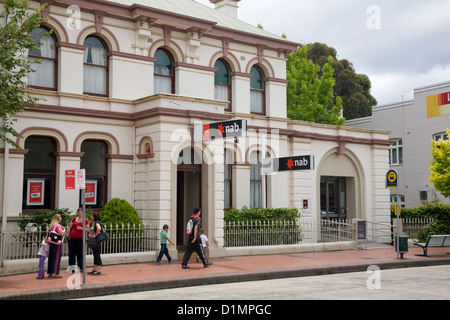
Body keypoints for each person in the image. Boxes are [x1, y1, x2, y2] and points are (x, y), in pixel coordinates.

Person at [66, 208, 89, 272]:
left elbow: (87, 229)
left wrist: (81, 228)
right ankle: (71, 268)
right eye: (78, 212)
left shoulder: (85, 220)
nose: (79, 213)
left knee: (80, 253)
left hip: (80, 239)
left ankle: (80, 267)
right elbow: (69, 227)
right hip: (72, 238)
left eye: (80, 212)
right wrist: (67, 236)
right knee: (71, 254)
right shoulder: (74, 219)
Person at [47, 214, 65, 278]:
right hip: (57, 244)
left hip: (51, 243)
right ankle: (55, 273)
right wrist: (64, 229)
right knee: (56, 258)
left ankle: (50, 272)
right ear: (58, 219)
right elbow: (61, 233)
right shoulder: (57, 225)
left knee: (51, 258)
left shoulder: (51, 225)